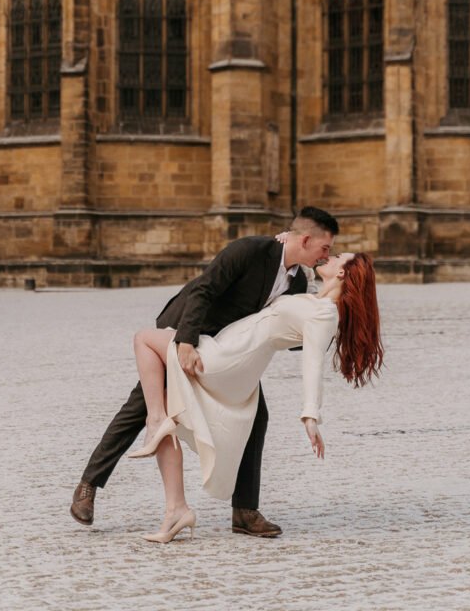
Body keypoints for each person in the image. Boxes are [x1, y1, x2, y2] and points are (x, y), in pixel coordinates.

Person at [70, 206, 339, 537]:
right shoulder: (251, 250)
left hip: (224, 350)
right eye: (325, 248)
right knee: (140, 407)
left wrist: (324, 334)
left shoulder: (298, 282)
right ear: (307, 239)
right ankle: (88, 486)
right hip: (187, 327)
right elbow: (204, 289)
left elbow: (286, 334)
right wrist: (185, 340)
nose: (327, 256)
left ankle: (244, 512)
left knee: (258, 415)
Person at [129, 251, 383, 543]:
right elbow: (294, 272)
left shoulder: (325, 313)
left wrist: (310, 415)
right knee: (168, 408)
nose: (330, 256)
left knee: (144, 339)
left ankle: (154, 418)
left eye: (337, 257)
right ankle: (176, 509)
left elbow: (313, 363)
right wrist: (287, 246)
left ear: (342, 273)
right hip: (229, 351)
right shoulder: (314, 297)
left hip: (227, 358)